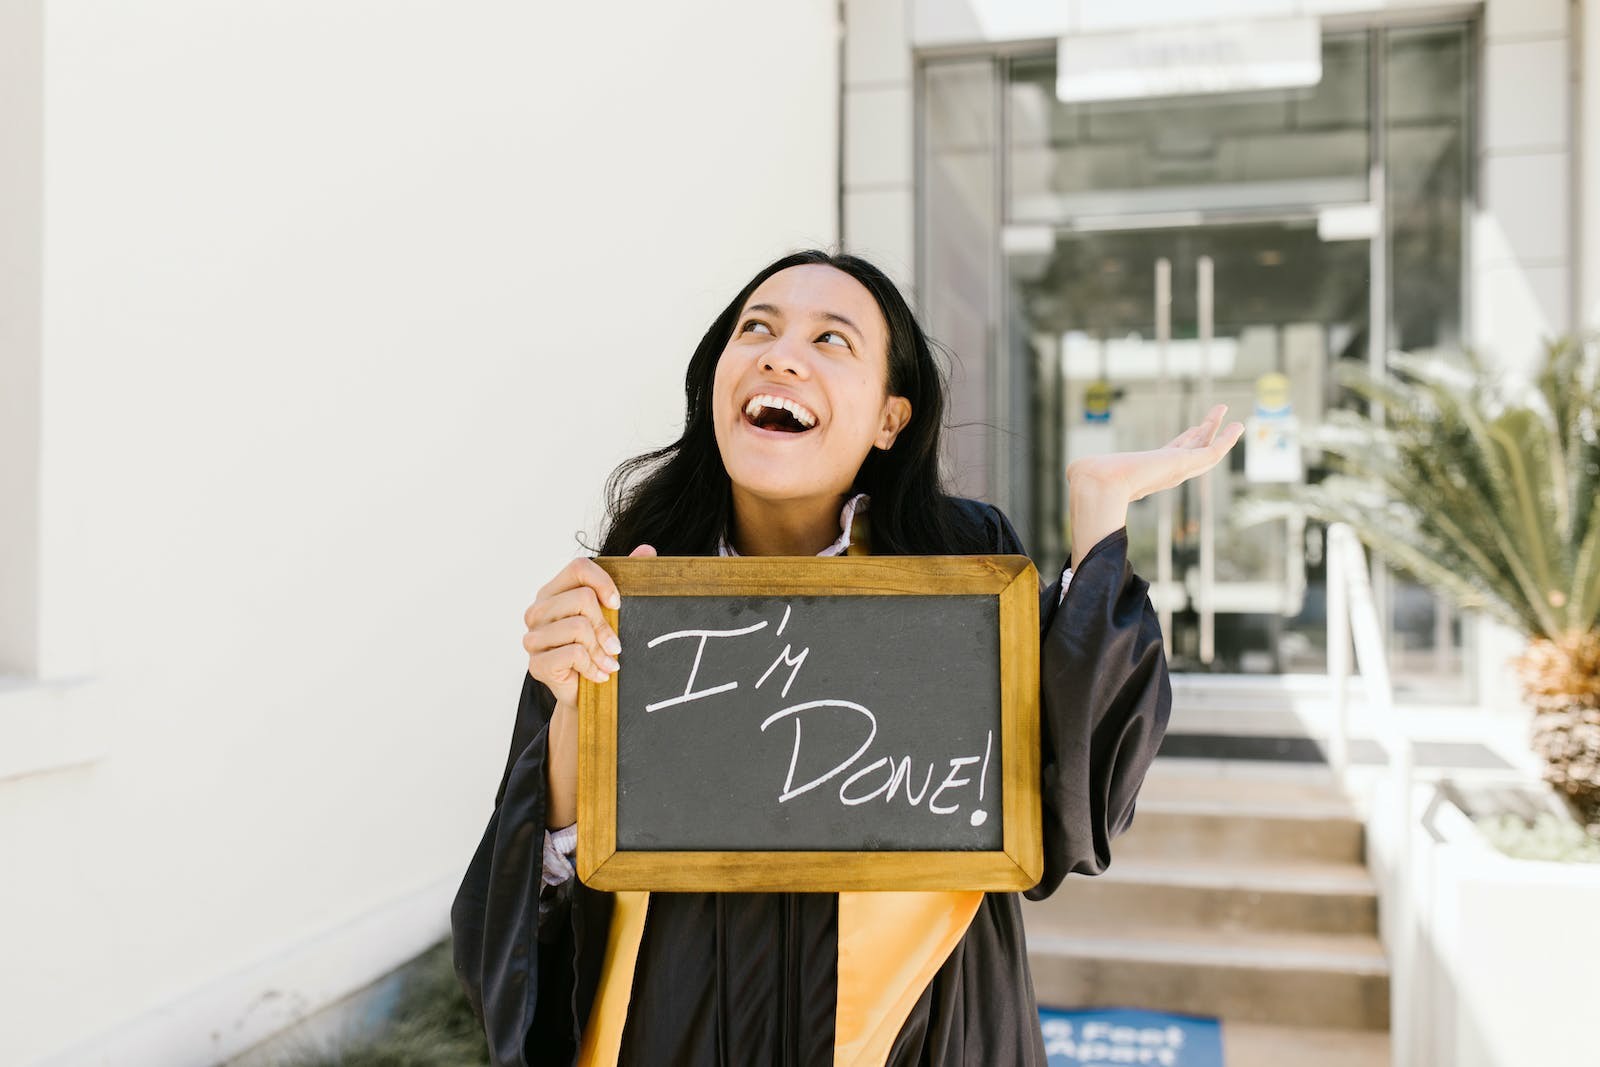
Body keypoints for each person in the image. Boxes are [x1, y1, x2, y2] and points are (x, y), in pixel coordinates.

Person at [450, 249, 1243, 1066]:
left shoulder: (958, 576)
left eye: (833, 340)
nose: (780, 353)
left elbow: (1071, 812)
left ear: (889, 418)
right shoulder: (634, 588)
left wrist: (1098, 517)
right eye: (755, 327)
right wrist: (577, 714)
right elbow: (521, 923)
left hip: (919, 1036)